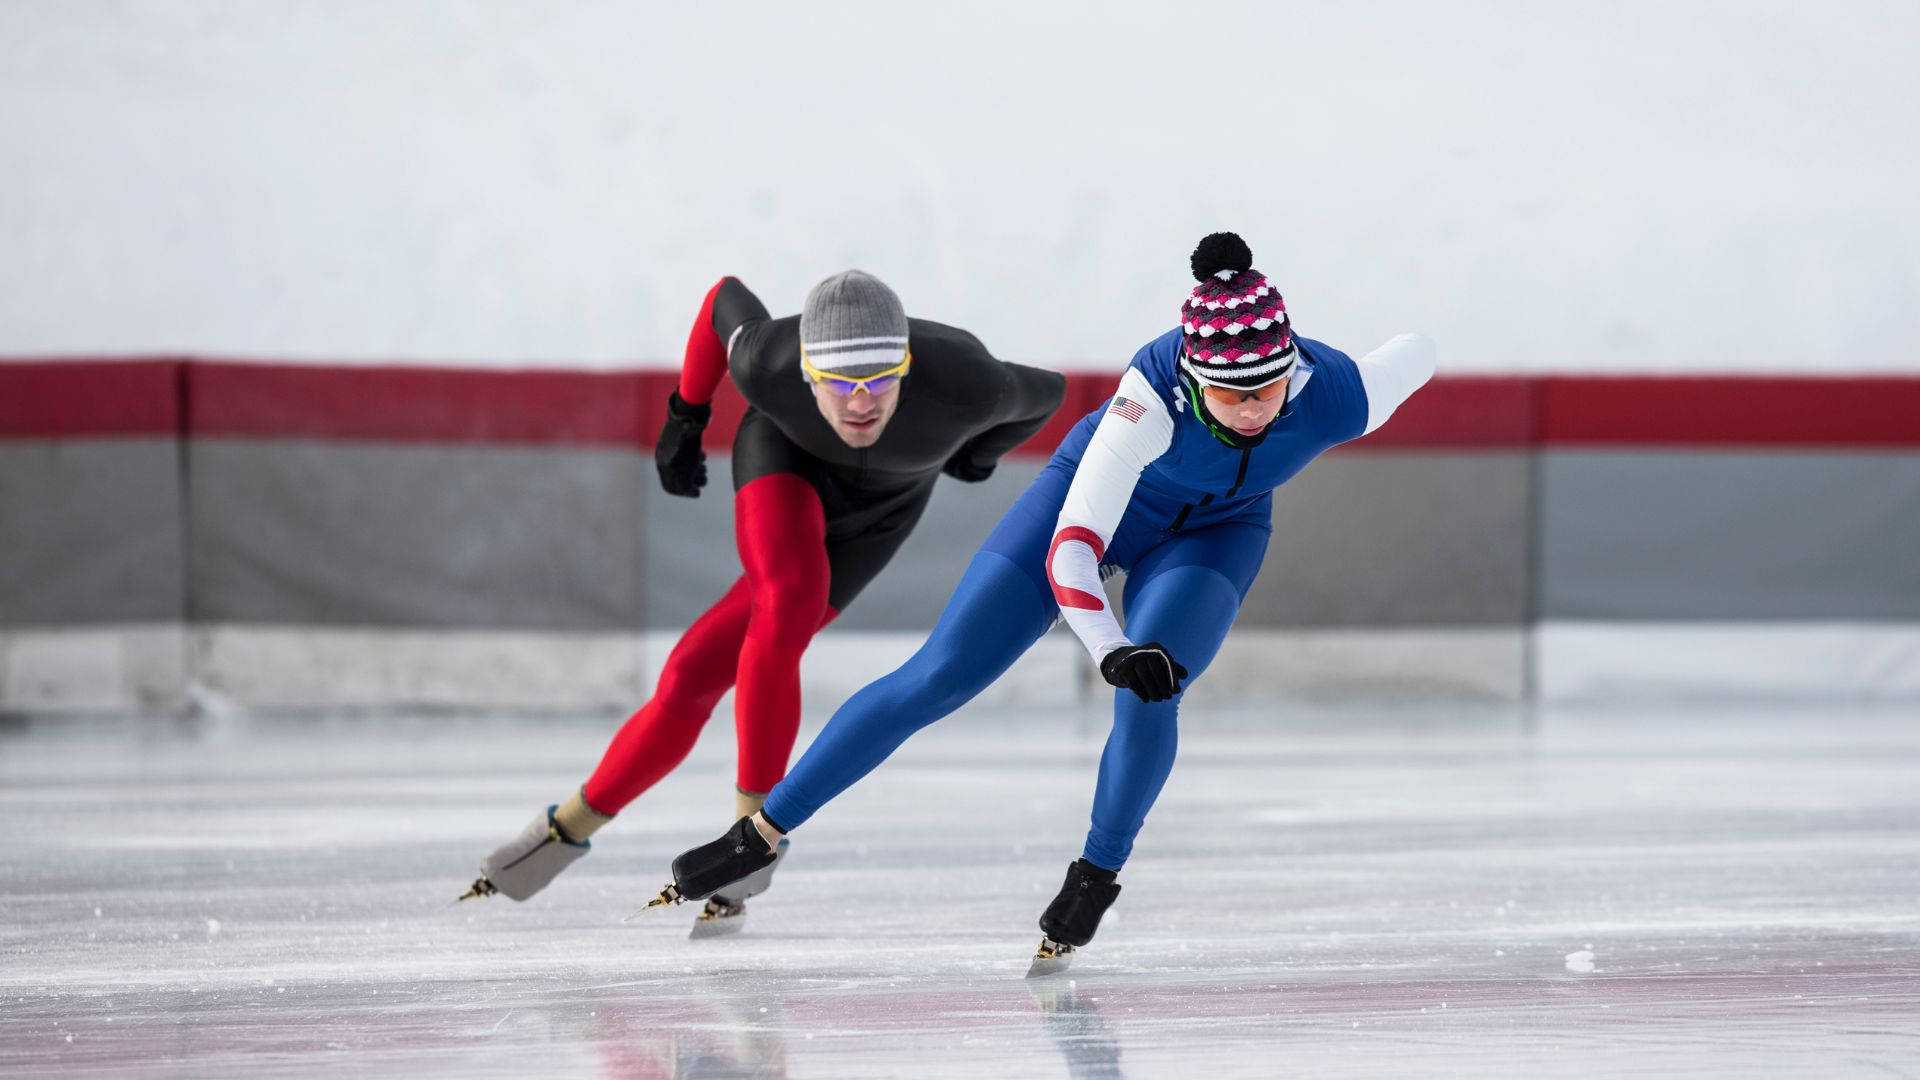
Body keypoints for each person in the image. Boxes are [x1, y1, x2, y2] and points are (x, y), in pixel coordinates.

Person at [652, 233, 1436, 962]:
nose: (1255, 411)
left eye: (1268, 389)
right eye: (1232, 396)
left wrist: (1139, 662)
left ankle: (1097, 874)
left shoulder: (1336, 394)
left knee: (1155, 693)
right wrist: (1109, 649)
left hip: (1218, 532)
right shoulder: (1145, 404)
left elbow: (1418, 352)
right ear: (1195, 380)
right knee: (941, 674)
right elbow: (1074, 552)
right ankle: (762, 831)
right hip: (1094, 509)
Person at [460, 270, 1066, 932]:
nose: (859, 403)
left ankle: (602, 835)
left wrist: (981, 453)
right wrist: (685, 416)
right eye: (837, 383)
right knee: (785, 602)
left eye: (879, 381)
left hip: (880, 515)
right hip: (784, 459)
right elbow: (722, 296)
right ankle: (732, 840)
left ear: (908, 365)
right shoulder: (765, 359)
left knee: (697, 670)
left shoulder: (968, 383)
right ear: (805, 372)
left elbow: (1049, 395)